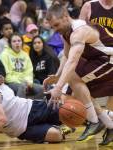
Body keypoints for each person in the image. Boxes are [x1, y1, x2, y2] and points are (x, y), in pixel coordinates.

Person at [44, 4, 113, 145]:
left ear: (65, 16)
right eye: (52, 27)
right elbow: (66, 56)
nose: (55, 29)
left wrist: (58, 87)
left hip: (109, 59)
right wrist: (57, 75)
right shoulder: (66, 33)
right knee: (80, 91)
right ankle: (109, 125)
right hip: (98, 60)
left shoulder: (79, 31)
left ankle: (94, 121)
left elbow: (73, 62)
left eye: (56, 24)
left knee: (73, 78)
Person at [0, 84, 65, 148]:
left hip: (30, 109)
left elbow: (2, 120)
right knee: (56, 136)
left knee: (69, 112)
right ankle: (62, 129)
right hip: (21, 130)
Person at [79, 0, 113, 111]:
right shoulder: (89, 6)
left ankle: (108, 121)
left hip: (109, 55)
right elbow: (77, 30)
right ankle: (92, 116)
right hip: (91, 54)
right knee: (76, 83)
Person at [0, 33, 43, 99]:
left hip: (26, 82)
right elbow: (6, 76)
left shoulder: (25, 55)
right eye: (14, 41)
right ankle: (20, 107)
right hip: (10, 83)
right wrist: (22, 82)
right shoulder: (4, 55)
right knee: (22, 87)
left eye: (19, 41)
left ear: (22, 43)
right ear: (10, 44)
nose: (17, 43)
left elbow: (29, 72)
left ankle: (32, 104)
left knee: (43, 89)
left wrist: (28, 82)